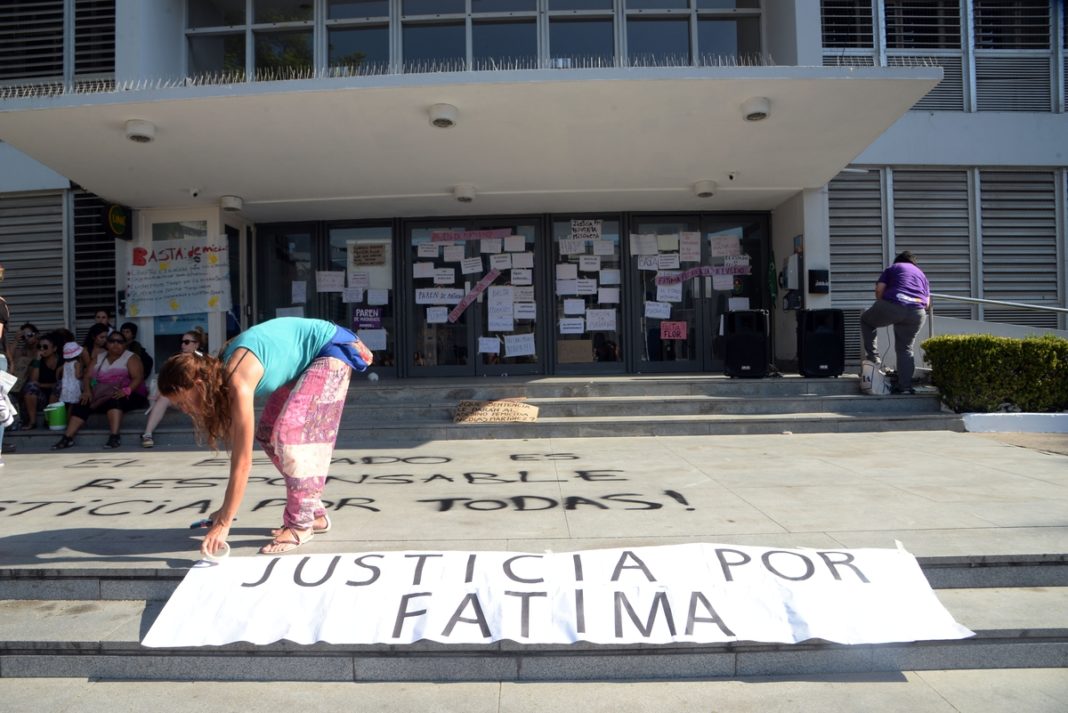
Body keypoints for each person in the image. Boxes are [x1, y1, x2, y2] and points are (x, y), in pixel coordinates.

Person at [157, 317, 373, 556]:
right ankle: (313, 513)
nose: (185, 409)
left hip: (330, 350)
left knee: (289, 435)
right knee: (268, 434)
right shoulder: (220, 376)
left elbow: (242, 463)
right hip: (305, 360)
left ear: (198, 385)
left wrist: (224, 522)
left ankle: (300, 525)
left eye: (183, 402)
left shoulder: (237, 380)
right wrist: (224, 511)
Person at [52, 330, 147, 449]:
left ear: (125, 344)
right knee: (83, 402)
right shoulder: (99, 357)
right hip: (101, 393)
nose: (115, 344)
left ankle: (114, 436)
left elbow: (138, 378)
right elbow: (87, 376)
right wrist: (87, 391)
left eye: (120, 341)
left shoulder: (131, 357)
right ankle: (67, 438)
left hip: (130, 393)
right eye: (112, 341)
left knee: (115, 400)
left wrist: (125, 391)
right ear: (107, 343)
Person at [860, 250, 931, 395]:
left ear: (897, 260)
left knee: (866, 320)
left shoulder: (893, 268)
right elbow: (928, 303)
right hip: (917, 313)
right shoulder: (921, 275)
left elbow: (879, 290)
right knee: (905, 349)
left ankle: (874, 358)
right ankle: (905, 387)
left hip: (894, 304)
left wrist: (884, 305)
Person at [140, 327, 205, 448]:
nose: (182, 345)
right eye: (182, 341)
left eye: (186, 342)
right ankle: (147, 434)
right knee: (164, 397)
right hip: (179, 397)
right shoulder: (176, 359)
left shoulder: (203, 360)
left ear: (196, 345)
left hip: (195, 397)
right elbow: (166, 377)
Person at [23, 332, 61, 429]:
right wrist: (37, 360)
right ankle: (32, 422)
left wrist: (41, 385)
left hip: (59, 399)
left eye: (45, 347)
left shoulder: (61, 361)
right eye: (39, 347)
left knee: (59, 385)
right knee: (30, 386)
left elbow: (62, 382)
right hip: (41, 399)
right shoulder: (37, 361)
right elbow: (33, 381)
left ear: (54, 348)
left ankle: (50, 418)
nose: (42, 349)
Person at [58, 341, 84, 410]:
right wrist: (83, 373)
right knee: (72, 405)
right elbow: (77, 376)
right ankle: (70, 416)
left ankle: (65, 416)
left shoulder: (65, 363)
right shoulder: (77, 363)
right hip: (73, 386)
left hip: (65, 386)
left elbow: (63, 375)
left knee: (66, 404)